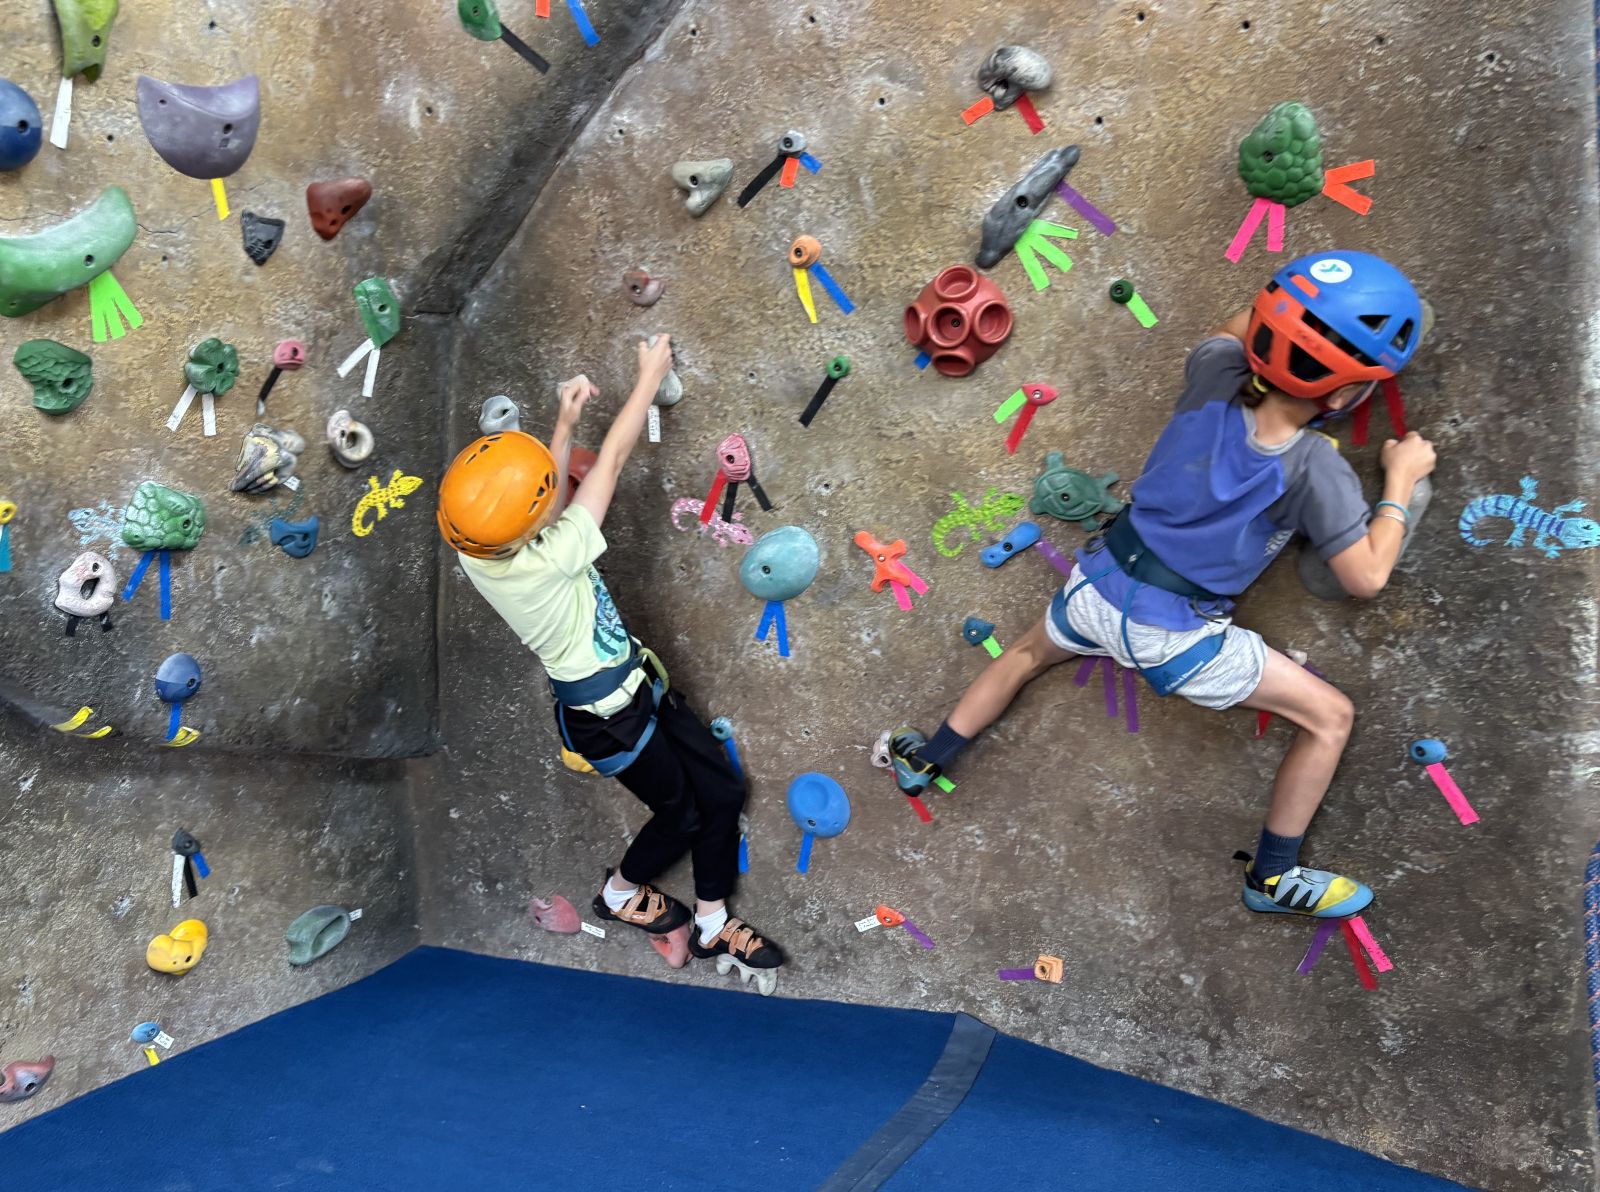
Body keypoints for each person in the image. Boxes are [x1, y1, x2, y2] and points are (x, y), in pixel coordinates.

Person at [891, 251, 1437, 919]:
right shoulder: (1316, 473)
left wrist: (1294, 302)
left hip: (1096, 587)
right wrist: (1402, 481)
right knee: (1330, 718)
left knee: (1026, 655)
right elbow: (1366, 577)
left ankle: (925, 759)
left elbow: (1236, 327)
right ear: (1349, 396)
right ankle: (1272, 879)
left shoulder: (1214, 372)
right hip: (1175, 638)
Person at [436, 335, 783, 987]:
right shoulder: (551, 557)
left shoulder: (479, 550)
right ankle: (620, 894)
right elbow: (613, 459)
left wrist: (563, 425)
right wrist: (648, 377)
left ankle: (711, 922)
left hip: (634, 685)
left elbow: (537, 505)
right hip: (609, 721)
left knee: (724, 790)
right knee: (680, 813)